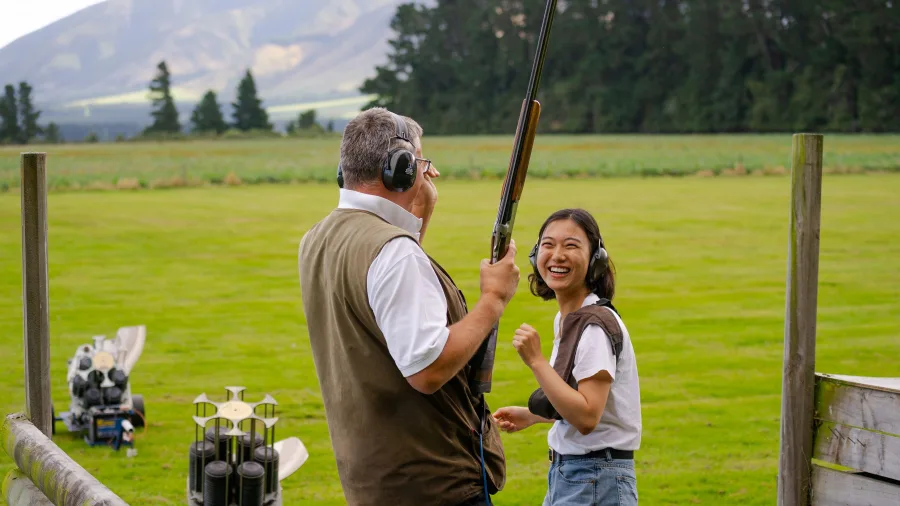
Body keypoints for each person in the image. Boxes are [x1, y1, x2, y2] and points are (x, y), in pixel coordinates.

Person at [297, 107, 520, 506]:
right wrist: (493, 300)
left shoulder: (317, 237)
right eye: (418, 162)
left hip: (376, 479)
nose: (424, 172)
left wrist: (417, 219)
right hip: (433, 485)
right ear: (398, 169)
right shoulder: (395, 253)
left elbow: (390, 303)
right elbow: (427, 368)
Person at [492, 208, 642, 506]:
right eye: (548, 245)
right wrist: (534, 415)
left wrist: (536, 361)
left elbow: (587, 417)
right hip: (579, 475)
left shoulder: (595, 327)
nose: (557, 255)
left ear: (595, 260)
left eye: (571, 246)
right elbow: (579, 402)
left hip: (595, 478)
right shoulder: (571, 319)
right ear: (536, 255)